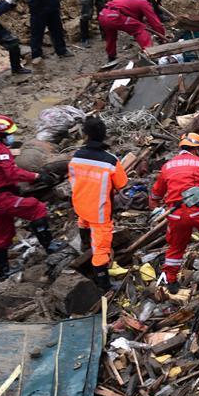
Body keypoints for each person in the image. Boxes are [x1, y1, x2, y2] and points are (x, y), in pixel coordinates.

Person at [0, 114, 61, 279]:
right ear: (1, 135)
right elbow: (12, 172)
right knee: (37, 208)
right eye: (9, 133)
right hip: (2, 198)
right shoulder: (0, 150)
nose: (12, 136)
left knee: (5, 235)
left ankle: (3, 271)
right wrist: (37, 177)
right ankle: (50, 246)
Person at [149, 132, 199, 292]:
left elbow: (156, 193)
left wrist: (154, 205)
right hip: (198, 212)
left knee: (175, 247)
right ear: (196, 149)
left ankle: (170, 280)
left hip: (175, 214)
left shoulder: (167, 166)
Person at [68, 116, 128, 291]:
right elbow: (122, 184)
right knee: (101, 248)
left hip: (80, 205)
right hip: (100, 212)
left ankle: (85, 245)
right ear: (104, 135)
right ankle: (104, 284)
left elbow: (73, 180)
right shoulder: (110, 161)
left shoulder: (76, 157)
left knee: (84, 222)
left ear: (85, 135)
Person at [98, 0, 167, 63]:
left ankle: (111, 57)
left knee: (111, 36)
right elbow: (155, 23)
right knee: (141, 29)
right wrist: (162, 37)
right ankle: (149, 53)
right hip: (115, 17)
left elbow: (131, 15)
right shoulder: (143, 2)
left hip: (103, 14)